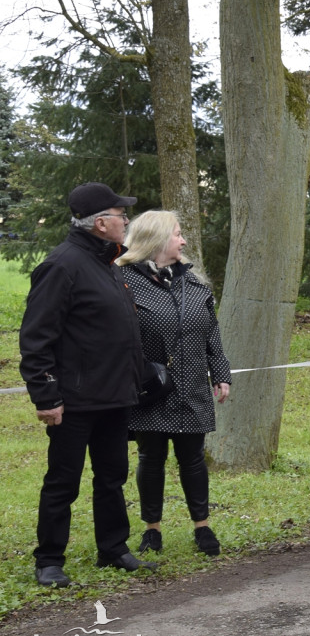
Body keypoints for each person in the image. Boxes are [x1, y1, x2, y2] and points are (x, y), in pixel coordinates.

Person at [20, 182, 157, 587]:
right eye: (120, 215)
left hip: (114, 396)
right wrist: (46, 396)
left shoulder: (107, 264)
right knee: (63, 481)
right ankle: (49, 560)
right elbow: (36, 338)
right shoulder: (61, 265)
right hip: (74, 400)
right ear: (100, 223)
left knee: (112, 476)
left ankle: (113, 548)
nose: (127, 221)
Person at [117, 211, 231, 557]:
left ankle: (202, 526)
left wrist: (221, 372)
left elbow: (211, 330)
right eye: (177, 235)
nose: (183, 241)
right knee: (151, 458)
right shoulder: (124, 282)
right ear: (156, 240)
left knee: (193, 459)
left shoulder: (193, 282)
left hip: (193, 386)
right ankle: (152, 530)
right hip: (152, 391)